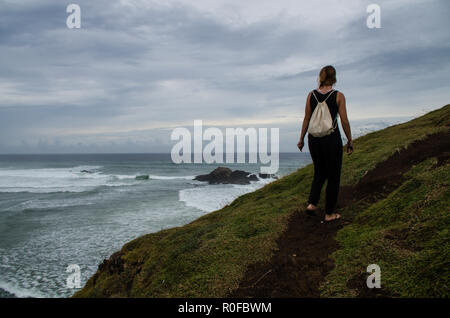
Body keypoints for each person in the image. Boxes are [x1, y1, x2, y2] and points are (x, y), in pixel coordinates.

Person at [297, 65, 353, 222]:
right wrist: (349, 140)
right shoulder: (338, 96)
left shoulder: (311, 95)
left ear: (320, 77)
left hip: (313, 138)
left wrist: (301, 139)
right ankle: (329, 214)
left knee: (319, 172)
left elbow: (306, 118)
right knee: (334, 176)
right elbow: (344, 121)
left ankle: (312, 204)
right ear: (334, 78)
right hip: (331, 138)